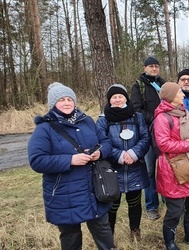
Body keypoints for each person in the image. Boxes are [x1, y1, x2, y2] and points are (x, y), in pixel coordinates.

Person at [28, 82, 115, 250]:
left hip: (94, 189)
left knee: (103, 229)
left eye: (70, 99)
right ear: (53, 104)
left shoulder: (87, 121)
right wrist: (70, 160)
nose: (67, 103)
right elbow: (37, 160)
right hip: (64, 194)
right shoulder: (44, 129)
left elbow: (105, 142)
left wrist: (101, 152)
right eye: (61, 100)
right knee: (71, 236)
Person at [154, 82, 189, 250]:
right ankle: (169, 242)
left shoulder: (184, 112)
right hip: (172, 169)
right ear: (171, 96)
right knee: (175, 209)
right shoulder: (162, 117)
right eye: (179, 92)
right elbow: (163, 145)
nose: (183, 94)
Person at [96, 84, 150, 240]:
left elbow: (145, 138)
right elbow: (101, 142)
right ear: (109, 100)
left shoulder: (137, 117)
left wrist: (133, 154)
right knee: (112, 205)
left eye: (120, 96)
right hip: (112, 170)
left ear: (126, 98)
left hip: (135, 166)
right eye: (114, 97)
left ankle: (135, 232)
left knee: (134, 202)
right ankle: (109, 236)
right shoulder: (103, 120)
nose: (118, 99)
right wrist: (119, 155)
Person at [130, 56, 166, 220]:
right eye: (151, 66)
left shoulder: (163, 83)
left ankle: (168, 200)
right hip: (148, 133)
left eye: (156, 66)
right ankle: (152, 206)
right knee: (150, 170)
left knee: (166, 168)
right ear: (145, 68)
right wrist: (156, 118)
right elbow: (136, 109)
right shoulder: (138, 85)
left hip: (165, 133)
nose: (154, 69)